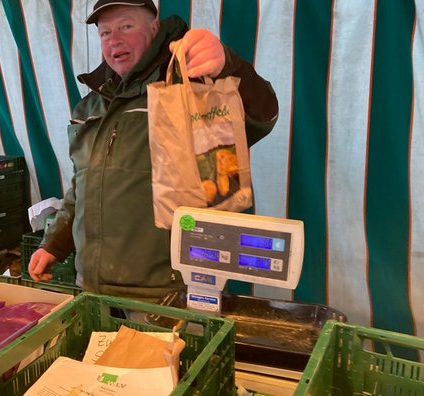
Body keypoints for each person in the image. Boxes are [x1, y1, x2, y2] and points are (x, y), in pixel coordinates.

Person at [28, 0, 279, 302]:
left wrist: (228, 65)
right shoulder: (89, 107)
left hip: (167, 295)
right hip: (92, 290)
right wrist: (53, 244)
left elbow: (262, 114)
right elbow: (81, 187)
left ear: (154, 27)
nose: (114, 40)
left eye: (126, 26)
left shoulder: (188, 86)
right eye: (105, 33)